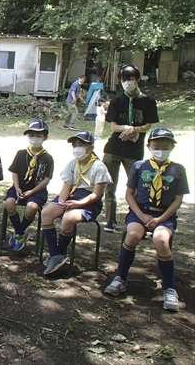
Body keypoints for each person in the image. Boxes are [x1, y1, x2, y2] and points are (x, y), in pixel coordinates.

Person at [104, 128, 189, 312]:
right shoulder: (139, 166)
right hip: (139, 212)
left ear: (172, 147)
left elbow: (178, 199)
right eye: (156, 146)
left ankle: (169, 289)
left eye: (165, 147)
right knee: (132, 235)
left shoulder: (178, 169)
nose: (160, 150)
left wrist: (159, 220)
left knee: (160, 239)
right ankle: (120, 278)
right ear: (149, 146)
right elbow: (129, 194)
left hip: (164, 215)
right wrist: (142, 216)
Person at [41, 131, 112, 275]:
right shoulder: (72, 164)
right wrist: (62, 202)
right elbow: (66, 187)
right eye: (75, 145)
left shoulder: (99, 167)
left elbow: (96, 195)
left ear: (90, 148)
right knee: (46, 212)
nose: (77, 148)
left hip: (88, 202)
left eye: (81, 145)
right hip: (71, 196)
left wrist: (76, 205)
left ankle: (59, 252)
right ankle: (55, 254)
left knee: (69, 218)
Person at [102, 65, 159, 233]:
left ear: (137, 79)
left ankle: (136, 219)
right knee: (110, 186)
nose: (127, 82)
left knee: (137, 187)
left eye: (130, 78)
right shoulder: (117, 101)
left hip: (134, 151)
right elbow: (113, 126)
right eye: (124, 79)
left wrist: (136, 130)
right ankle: (110, 220)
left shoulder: (148, 101)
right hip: (114, 148)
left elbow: (148, 124)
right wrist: (126, 127)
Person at [5, 119, 54, 252]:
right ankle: (20, 233)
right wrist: (17, 187)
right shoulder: (21, 153)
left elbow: (46, 179)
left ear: (45, 138)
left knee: (32, 207)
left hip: (37, 191)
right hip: (19, 187)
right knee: (9, 203)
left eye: (38, 136)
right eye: (31, 135)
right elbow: (14, 171)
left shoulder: (48, 158)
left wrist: (32, 192)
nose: (34, 139)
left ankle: (19, 232)